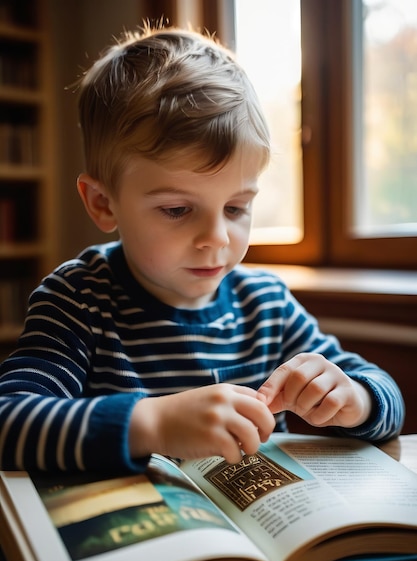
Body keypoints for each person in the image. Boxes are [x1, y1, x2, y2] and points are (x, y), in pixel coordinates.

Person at [0, 26, 404, 473]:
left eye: (235, 207)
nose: (217, 237)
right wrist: (152, 422)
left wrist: (356, 399)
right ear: (102, 202)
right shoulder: (78, 300)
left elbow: (385, 394)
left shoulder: (267, 306)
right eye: (176, 209)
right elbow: (8, 420)